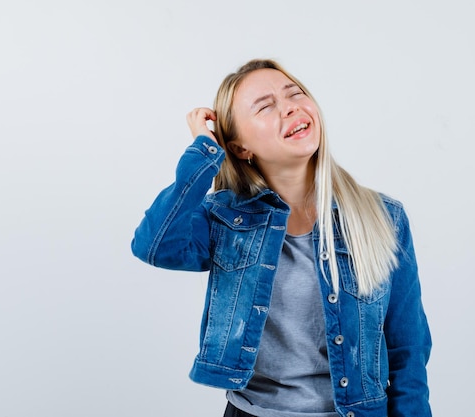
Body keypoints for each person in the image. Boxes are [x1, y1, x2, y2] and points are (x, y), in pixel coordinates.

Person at [131, 59, 432, 417]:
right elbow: (154, 245)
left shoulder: (384, 217)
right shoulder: (225, 219)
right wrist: (204, 150)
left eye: (295, 94)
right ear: (240, 147)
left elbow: (408, 351)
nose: (289, 106)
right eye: (265, 106)